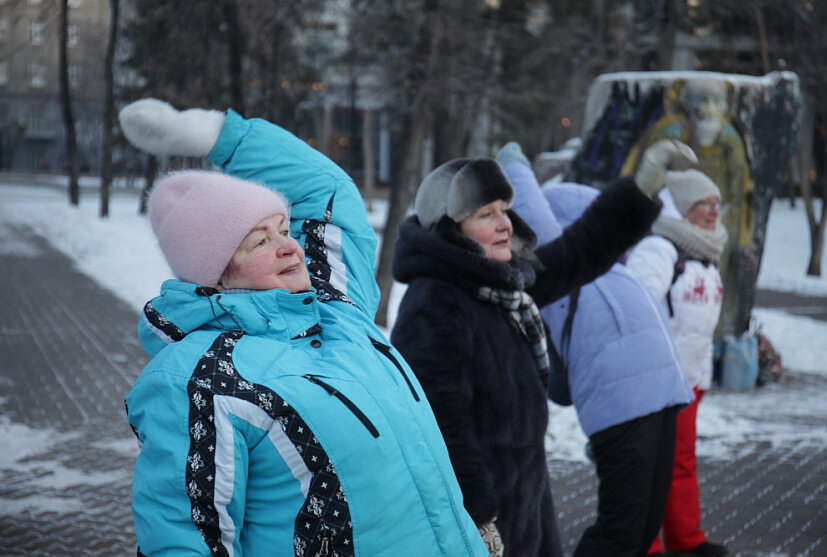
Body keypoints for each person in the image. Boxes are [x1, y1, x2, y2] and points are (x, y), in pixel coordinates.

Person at [118, 98, 490, 557]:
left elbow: (328, 191)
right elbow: (185, 539)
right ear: (215, 274)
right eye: (259, 240)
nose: (288, 247)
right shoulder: (200, 379)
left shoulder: (338, 310)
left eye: (283, 228)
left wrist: (222, 137)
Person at [389, 139, 697, 556]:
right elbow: (439, 427)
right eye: (486, 214)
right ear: (450, 229)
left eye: (504, 209)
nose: (505, 224)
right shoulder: (436, 303)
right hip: (481, 519)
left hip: (525, 504)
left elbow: (580, 251)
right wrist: (477, 519)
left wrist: (642, 187)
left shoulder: (500, 285)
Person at [496, 142, 694, 557]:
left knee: (637, 531)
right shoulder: (561, 270)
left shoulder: (611, 273)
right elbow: (533, 209)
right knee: (622, 532)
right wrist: (512, 162)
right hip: (627, 402)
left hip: (654, 396)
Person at [625, 170, 729, 557]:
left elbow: (700, 329)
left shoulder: (707, 252)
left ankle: (687, 541)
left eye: (716, 203)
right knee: (649, 469)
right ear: (684, 206)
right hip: (654, 384)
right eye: (704, 203)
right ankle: (646, 545)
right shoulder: (660, 249)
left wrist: (702, 376)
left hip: (689, 382)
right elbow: (637, 310)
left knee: (682, 462)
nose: (712, 211)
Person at [621, 77, 755, 339]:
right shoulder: (670, 131)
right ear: (686, 103)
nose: (708, 107)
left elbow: (741, 189)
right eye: (701, 99)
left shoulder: (729, 138)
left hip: (719, 224)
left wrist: (741, 234)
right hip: (676, 214)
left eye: (715, 100)